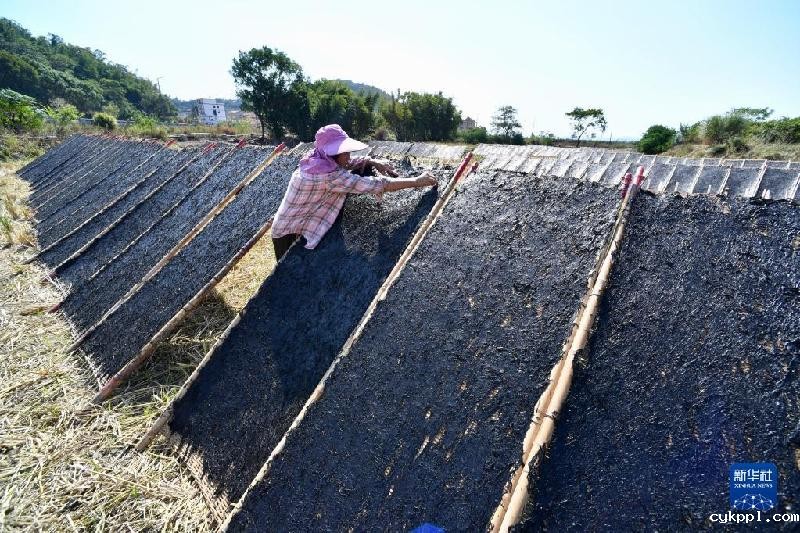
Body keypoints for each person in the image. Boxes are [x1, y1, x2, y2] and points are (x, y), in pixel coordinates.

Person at [270, 124, 438, 260]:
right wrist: (416, 182)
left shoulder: (316, 159)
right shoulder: (328, 176)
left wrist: (371, 160)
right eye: (343, 152)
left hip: (297, 222)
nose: (348, 155)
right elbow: (377, 184)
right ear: (332, 153)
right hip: (288, 232)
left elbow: (347, 163)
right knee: (291, 277)